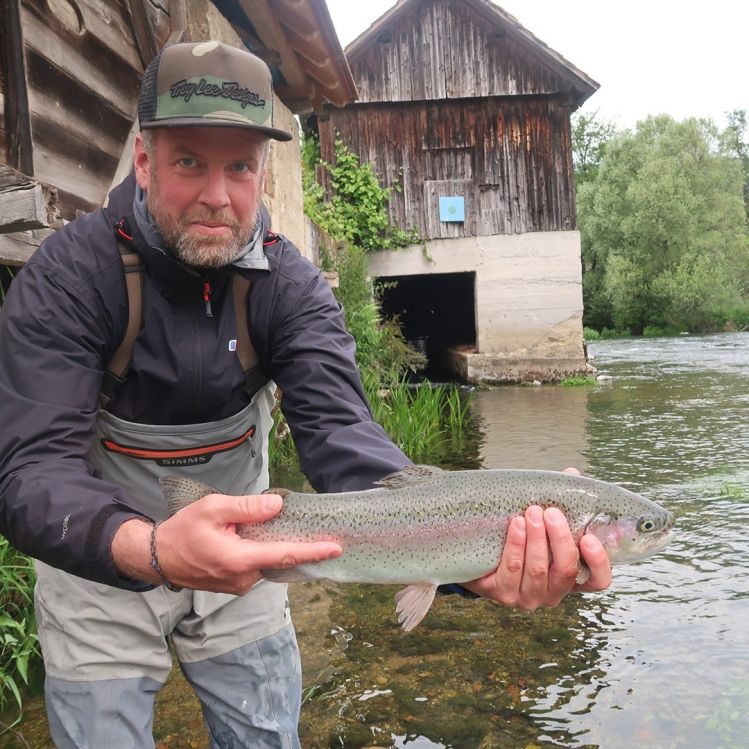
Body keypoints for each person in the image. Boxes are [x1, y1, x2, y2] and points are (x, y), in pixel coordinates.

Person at [0, 41, 611, 748]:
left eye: (239, 166)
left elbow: (346, 445)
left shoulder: (290, 289)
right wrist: (154, 547)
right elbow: (31, 473)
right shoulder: (69, 276)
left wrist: (467, 564)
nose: (217, 196)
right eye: (189, 161)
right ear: (144, 159)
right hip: (100, 557)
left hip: (260, 552)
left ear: (262, 171)